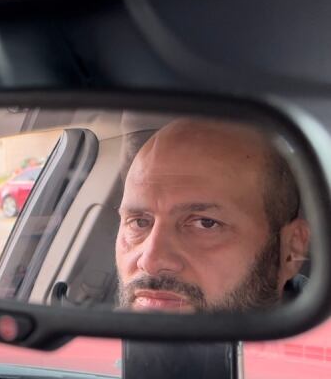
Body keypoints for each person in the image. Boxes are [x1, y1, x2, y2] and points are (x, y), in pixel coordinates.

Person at [116, 118, 310, 313]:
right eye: (139, 222)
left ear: (291, 250)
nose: (150, 262)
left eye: (205, 223)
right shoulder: (91, 339)